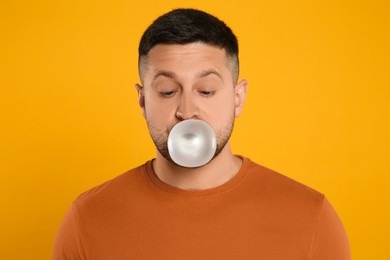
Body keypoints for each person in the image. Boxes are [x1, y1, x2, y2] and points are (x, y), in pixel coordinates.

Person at [53, 8, 350, 260]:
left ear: (238, 98)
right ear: (143, 101)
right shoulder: (88, 218)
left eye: (206, 90)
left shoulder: (310, 217)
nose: (187, 110)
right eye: (167, 91)